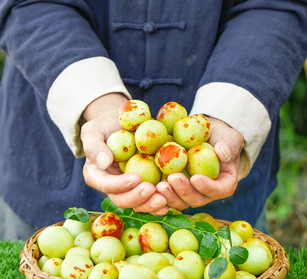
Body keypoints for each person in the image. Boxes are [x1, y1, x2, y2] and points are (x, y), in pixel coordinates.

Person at [0, 0, 306, 240]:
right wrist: (98, 101)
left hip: (223, 181)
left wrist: (227, 115)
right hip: (48, 165)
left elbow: (276, 4)